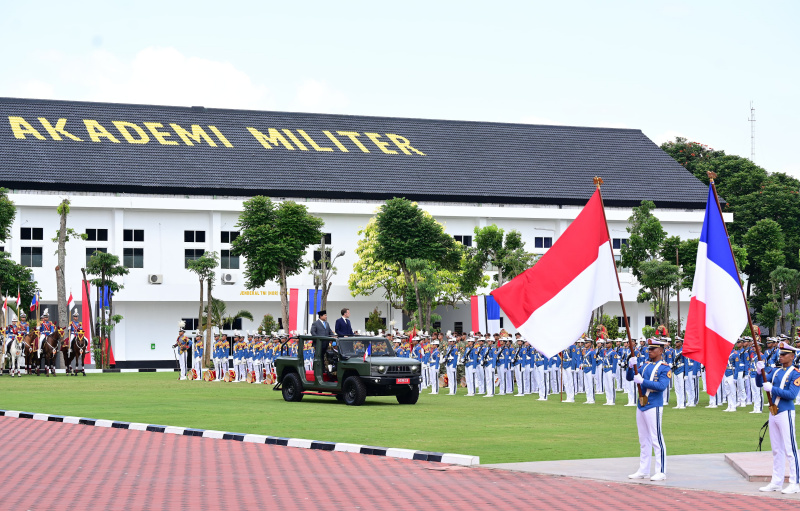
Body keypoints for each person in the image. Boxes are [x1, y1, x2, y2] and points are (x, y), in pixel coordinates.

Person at [755, 342, 800, 493]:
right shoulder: (775, 371)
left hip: (785, 412)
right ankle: (777, 481)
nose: (780, 357)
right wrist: (758, 371)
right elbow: (760, 383)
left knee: (790, 448)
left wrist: (772, 389)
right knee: (776, 450)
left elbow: (792, 395)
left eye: (784, 354)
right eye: (780, 354)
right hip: (773, 412)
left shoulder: (796, 373)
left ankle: (795, 482)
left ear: (792, 356)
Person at [627, 338, 671, 481]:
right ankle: (643, 469)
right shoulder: (645, 365)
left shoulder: (664, 368)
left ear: (661, 350)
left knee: (656, 438)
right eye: (649, 349)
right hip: (641, 404)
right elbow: (630, 377)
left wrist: (643, 382)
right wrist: (630, 366)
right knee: (643, 439)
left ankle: (661, 471)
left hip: (654, 404)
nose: (649, 351)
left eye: (653, 349)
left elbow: (661, 386)